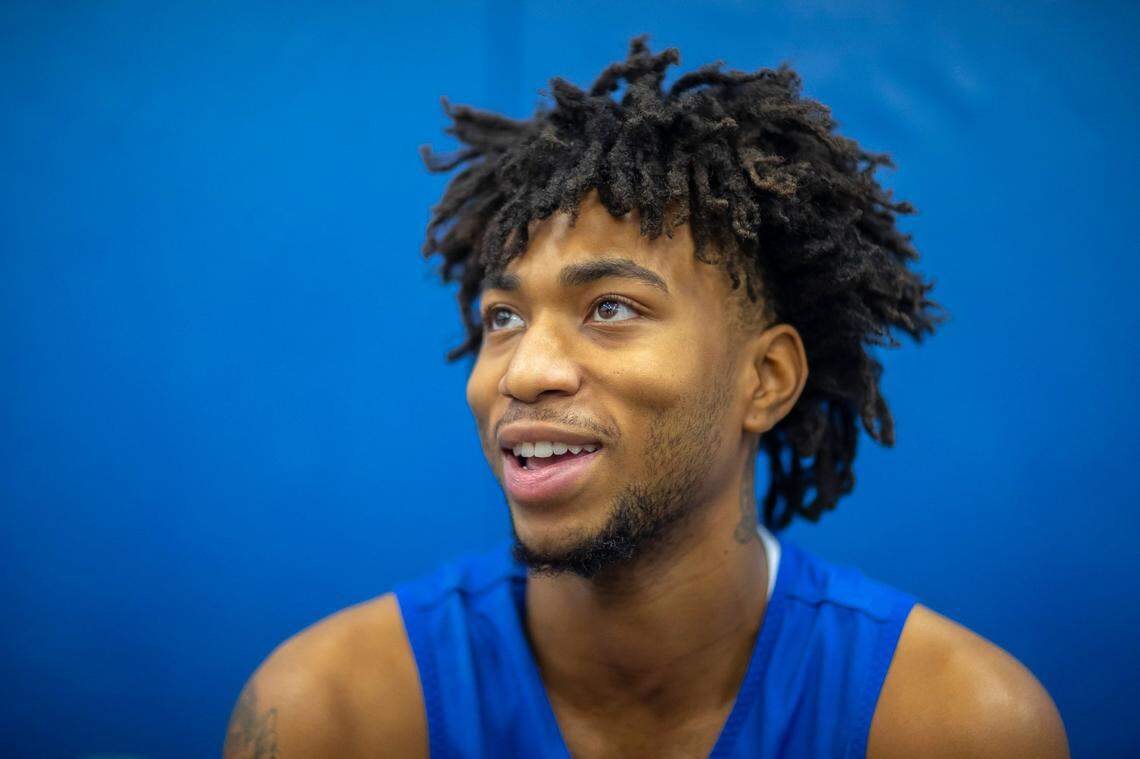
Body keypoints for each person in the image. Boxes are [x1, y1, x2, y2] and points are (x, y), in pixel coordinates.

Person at [224, 35, 1068, 758]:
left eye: (612, 308)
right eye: (505, 316)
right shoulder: (328, 714)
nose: (524, 372)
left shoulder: (954, 723)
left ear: (765, 379)